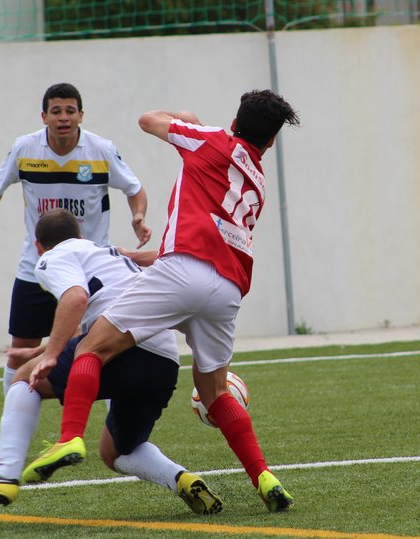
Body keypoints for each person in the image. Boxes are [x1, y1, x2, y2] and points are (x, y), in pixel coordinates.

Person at [25, 89, 300, 513]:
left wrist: (186, 117)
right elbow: (210, 234)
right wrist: (135, 256)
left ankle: (69, 438)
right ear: (271, 142)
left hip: (182, 272)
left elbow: (147, 119)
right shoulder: (258, 182)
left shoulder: (209, 139)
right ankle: (264, 476)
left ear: (234, 121)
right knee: (215, 393)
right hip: (227, 289)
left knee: (91, 349)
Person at [0, 209, 221, 514]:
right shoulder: (106, 253)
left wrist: (50, 355)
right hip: (164, 361)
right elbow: (87, 325)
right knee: (116, 451)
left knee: (24, 378)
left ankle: (5, 475)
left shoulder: (53, 256)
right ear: (80, 235)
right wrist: (46, 350)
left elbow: (75, 298)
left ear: (39, 247)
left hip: (119, 347)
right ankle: (181, 478)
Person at [0, 83, 151, 394]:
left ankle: (115, 420)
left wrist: (138, 216)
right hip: (37, 267)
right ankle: (11, 419)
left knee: (106, 345)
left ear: (81, 115)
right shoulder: (25, 149)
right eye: (56, 111)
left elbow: (134, 189)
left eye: (70, 111)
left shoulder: (101, 151)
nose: (63, 117)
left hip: (92, 270)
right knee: (21, 348)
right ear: (44, 117)